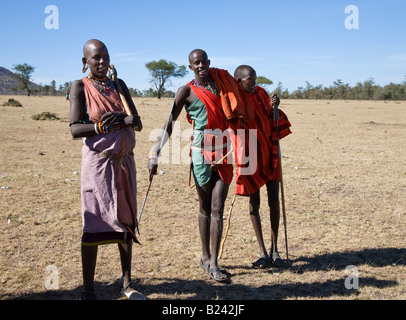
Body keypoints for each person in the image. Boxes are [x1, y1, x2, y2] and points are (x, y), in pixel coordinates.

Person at [148, 49, 252, 283]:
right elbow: (169, 124)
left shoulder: (222, 84)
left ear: (209, 63)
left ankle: (214, 262)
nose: (201, 65)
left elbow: (244, 91)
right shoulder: (185, 91)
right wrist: (155, 151)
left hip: (224, 153)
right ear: (191, 67)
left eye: (204, 61)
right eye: (196, 63)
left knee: (218, 208)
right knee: (205, 207)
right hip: (201, 154)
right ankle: (205, 256)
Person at [69, 39, 144, 300]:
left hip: (125, 163)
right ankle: (88, 290)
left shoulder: (119, 85)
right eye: (95, 58)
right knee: (94, 223)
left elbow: (137, 123)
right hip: (98, 164)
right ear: (85, 62)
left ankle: (126, 284)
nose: (102, 62)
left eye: (105, 57)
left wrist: (128, 120)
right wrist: (103, 127)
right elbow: (75, 129)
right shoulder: (80, 86)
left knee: (125, 223)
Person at [234, 65, 291, 268]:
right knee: (254, 201)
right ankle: (262, 252)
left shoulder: (261, 93)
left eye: (255, 78)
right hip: (249, 153)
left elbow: (273, 121)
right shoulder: (235, 98)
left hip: (269, 149)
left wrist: (275, 107)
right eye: (250, 79)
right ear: (239, 80)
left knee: (274, 198)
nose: (254, 82)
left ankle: (275, 249)